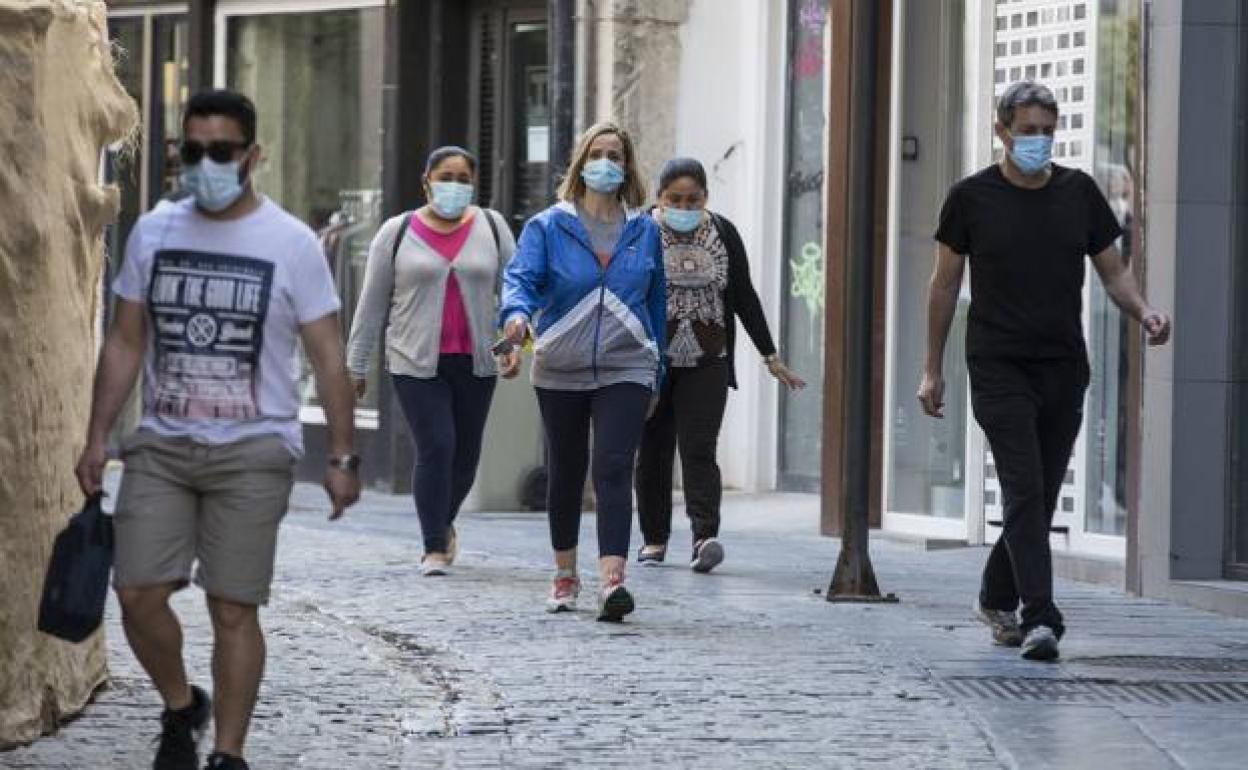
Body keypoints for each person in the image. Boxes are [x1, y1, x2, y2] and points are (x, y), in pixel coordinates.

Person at [74, 90, 361, 770]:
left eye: (221, 152)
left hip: (255, 449)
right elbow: (126, 340)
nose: (205, 164)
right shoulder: (155, 231)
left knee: (233, 607)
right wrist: (96, 436)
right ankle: (182, 705)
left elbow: (328, 356)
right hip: (163, 444)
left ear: (252, 156)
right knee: (136, 593)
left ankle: (228, 754)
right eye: (192, 151)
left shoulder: (291, 244)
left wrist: (343, 456)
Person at [919, 81, 1171, 662]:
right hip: (997, 363)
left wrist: (1144, 311)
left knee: (1040, 494)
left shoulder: (1077, 193)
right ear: (1002, 132)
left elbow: (1113, 271)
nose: (1038, 141)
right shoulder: (970, 199)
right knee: (1024, 489)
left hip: (1063, 365)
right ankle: (1040, 618)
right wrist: (932, 369)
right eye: (1027, 130)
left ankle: (995, 594)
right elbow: (944, 285)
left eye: (1047, 132)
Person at [499, 121, 665, 621]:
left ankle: (612, 582)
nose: (606, 163)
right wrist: (515, 319)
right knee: (566, 470)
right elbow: (521, 280)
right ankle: (565, 572)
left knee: (613, 466)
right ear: (581, 163)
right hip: (562, 363)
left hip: (627, 363)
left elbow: (657, 303)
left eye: (615, 155)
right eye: (597, 154)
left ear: (627, 166)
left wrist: (657, 371)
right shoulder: (549, 226)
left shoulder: (645, 230)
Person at [346, 146, 518, 576]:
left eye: (463, 179)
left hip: (476, 361)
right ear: (426, 182)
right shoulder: (396, 231)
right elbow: (371, 305)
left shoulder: (492, 227)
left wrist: (513, 345)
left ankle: (442, 522)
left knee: (465, 458)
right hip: (415, 362)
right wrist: (356, 364)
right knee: (437, 446)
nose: (454, 186)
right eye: (445, 177)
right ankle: (433, 547)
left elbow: (515, 294)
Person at [634, 157, 805, 573]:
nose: (684, 207)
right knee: (654, 448)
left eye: (693, 199)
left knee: (699, 448)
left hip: (708, 361)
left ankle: (704, 537)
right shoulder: (639, 231)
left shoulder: (723, 233)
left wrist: (770, 355)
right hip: (651, 361)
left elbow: (743, 295)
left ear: (706, 197)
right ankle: (654, 538)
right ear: (659, 197)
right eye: (675, 199)